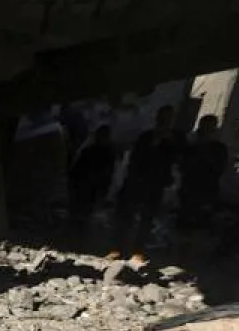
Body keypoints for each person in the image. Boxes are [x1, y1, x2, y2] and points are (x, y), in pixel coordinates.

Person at [109, 105, 182, 264]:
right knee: (125, 216)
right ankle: (117, 248)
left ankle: (138, 250)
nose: (164, 121)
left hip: (156, 185)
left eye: (168, 118)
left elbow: (175, 161)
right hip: (137, 181)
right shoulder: (146, 136)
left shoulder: (175, 140)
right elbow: (135, 158)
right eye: (162, 117)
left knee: (147, 219)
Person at [177, 114, 229, 229]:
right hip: (190, 191)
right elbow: (182, 166)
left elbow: (219, 169)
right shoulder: (191, 147)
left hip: (206, 192)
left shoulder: (218, 149)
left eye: (209, 128)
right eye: (205, 128)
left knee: (199, 226)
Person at [68, 124, 117, 228]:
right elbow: (77, 170)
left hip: (92, 188)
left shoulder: (108, 154)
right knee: (80, 215)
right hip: (84, 187)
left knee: (85, 216)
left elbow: (108, 175)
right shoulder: (90, 151)